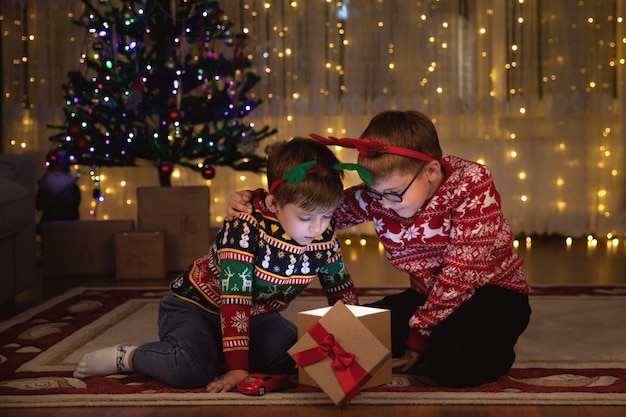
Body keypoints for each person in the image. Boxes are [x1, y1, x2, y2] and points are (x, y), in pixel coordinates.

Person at [226, 110, 532, 388]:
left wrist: (417, 337)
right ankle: (432, 338)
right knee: (346, 338)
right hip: (427, 296)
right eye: (374, 192)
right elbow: (315, 206)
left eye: (393, 194)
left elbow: (460, 275)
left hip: (492, 294)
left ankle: (483, 346)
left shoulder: (472, 185)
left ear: (432, 171)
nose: (382, 203)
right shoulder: (382, 192)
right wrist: (259, 201)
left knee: (450, 363)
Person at [73, 137, 372, 392]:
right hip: (198, 308)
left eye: (326, 216)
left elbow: (340, 289)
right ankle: (129, 356)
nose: (316, 228)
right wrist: (238, 370)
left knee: (306, 357)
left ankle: (219, 352)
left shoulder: (324, 237)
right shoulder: (243, 229)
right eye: (305, 218)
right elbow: (234, 302)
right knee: (190, 370)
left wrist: (357, 340)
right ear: (272, 205)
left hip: (258, 317)